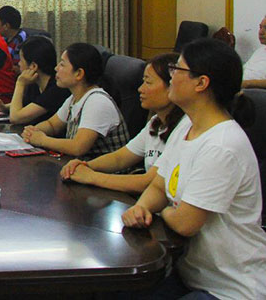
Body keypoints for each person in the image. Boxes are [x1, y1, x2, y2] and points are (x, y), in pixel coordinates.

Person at [122, 38, 266, 299]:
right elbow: (159, 185)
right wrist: (141, 207)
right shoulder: (187, 126)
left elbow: (185, 223)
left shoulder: (222, 145)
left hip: (230, 288)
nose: (172, 76)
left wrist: (162, 210)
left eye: (177, 69)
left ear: (201, 83)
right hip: (190, 273)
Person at [60, 53, 186, 194]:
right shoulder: (155, 123)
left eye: (148, 82)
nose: (140, 89)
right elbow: (119, 158)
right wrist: (85, 165)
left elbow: (148, 182)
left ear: (172, 86)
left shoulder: (184, 128)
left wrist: (91, 177)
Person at [22, 43, 130, 159]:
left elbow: (78, 147)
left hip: (103, 169)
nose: (56, 68)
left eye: (62, 64)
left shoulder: (97, 102)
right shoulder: (74, 98)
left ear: (79, 74)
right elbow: (52, 125)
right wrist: (33, 131)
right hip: (82, 166)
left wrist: (42, 140)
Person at [0, 36, 69, 124]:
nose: (19, 64)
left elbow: (16, 118)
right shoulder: (35, 82)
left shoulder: (56, 89)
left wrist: (20, 83)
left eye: (21, 60)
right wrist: (4, 107)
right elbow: (27, 104)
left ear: (33, 66)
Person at [241, 14, 266, 89]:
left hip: (255, 91)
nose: (261, 32)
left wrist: (247, 83)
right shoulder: (260, 51)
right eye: (260, 27)